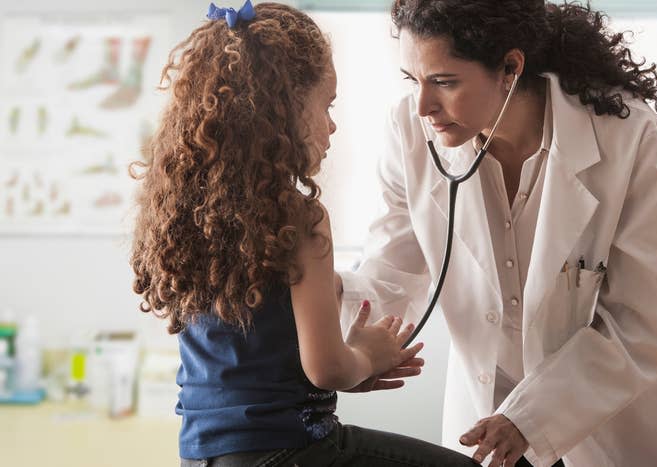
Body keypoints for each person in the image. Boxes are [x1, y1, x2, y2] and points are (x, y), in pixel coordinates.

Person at [334, 1, 657, 466]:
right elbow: (392, 271)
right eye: (413, 80)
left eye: (444, 81)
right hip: (489, 423)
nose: (423, 105)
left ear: (510, 67)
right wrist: (333, 298)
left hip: (619, 423)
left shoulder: (626, 135)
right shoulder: (409, 130)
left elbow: (637, 321)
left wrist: (529, 418)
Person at [130, 2, 479, 466]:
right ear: (283, 108)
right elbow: (328, 368)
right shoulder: (298, 219)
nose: (332, 125)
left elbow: (260, 348)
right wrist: (367, 355)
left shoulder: (186, 214)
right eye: (326, 105)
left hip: (204, 456)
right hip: (295, 451)